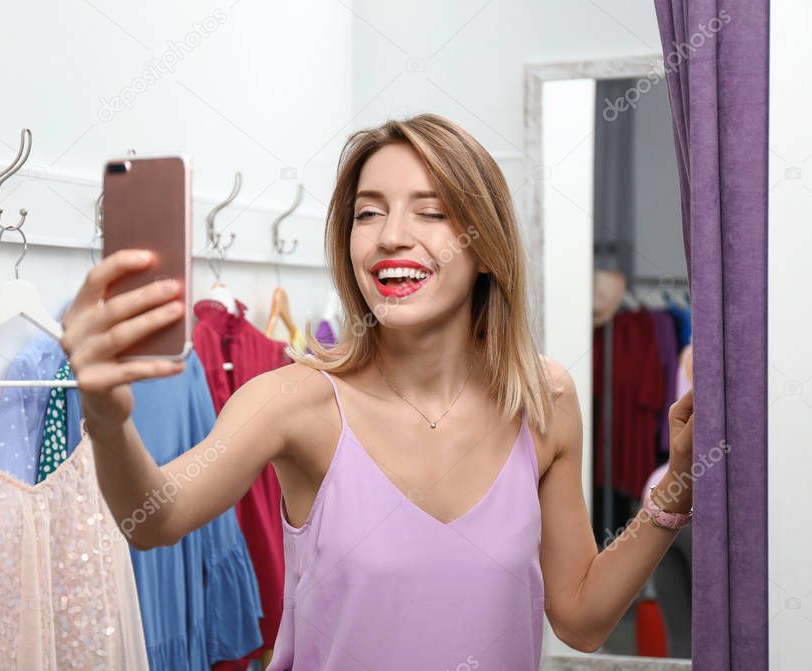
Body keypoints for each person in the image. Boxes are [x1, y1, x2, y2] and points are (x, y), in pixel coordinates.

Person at [59, 113, 695, 669]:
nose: (391, 234)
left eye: (432, 211)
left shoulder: (541, 399)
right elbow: (156, 519)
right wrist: (109, 421)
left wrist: (678, 486)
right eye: (368, 212)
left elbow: (581, 620)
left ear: (487, 248)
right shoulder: (295, 400)